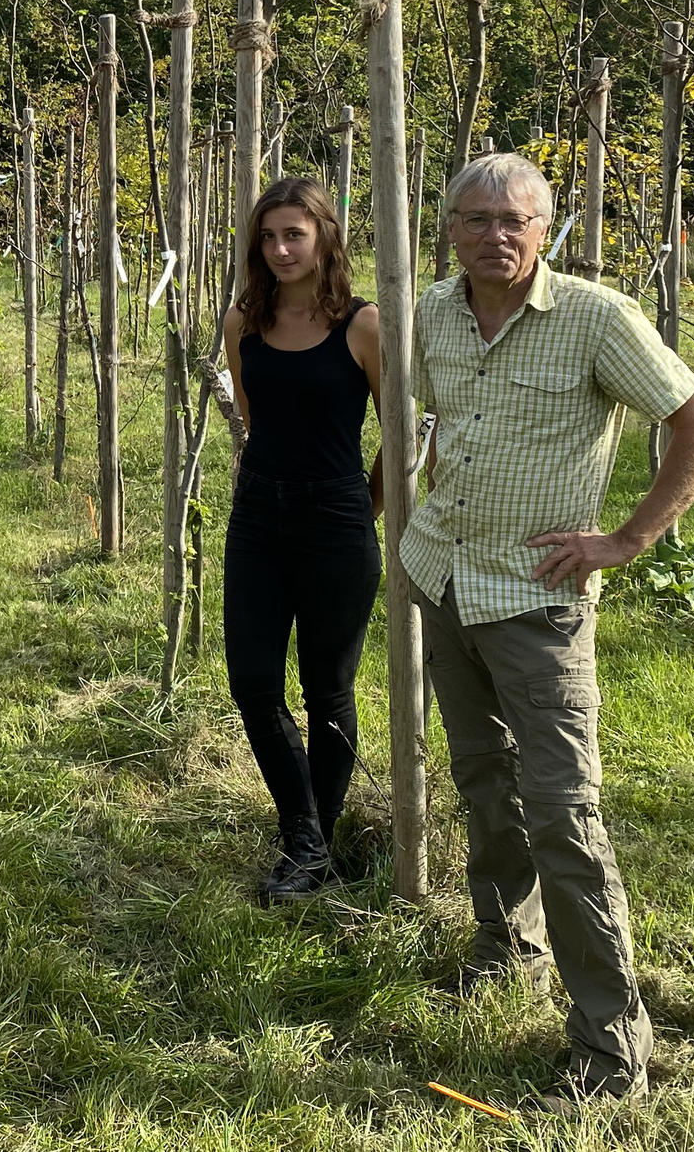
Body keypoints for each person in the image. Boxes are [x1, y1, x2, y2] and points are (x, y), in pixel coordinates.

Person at [405, 154, 694, 1108]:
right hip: (443, 579)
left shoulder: (594, 317)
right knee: (481, 777)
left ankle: (610, 1045)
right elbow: (422, 415)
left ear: (546, 229)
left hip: (537, 600)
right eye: (475, 219)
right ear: (449, 227)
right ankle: (508, 948)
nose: (495, 235)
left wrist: (628, 538)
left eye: (516, 220)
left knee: (564, 811)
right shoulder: (430, 310)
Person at [220, 178, 385, 903]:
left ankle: (313, 844)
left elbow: (406, 430)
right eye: (268, 236)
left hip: (337, 518)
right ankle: (306, 835)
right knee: (254, 683)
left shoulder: (362, 324)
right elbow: (254, 416)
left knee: (328, 690)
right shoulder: (243, 323)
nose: (281, 248)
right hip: (257, 515)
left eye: (295, 233)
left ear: (324, 236)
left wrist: (364, 506)